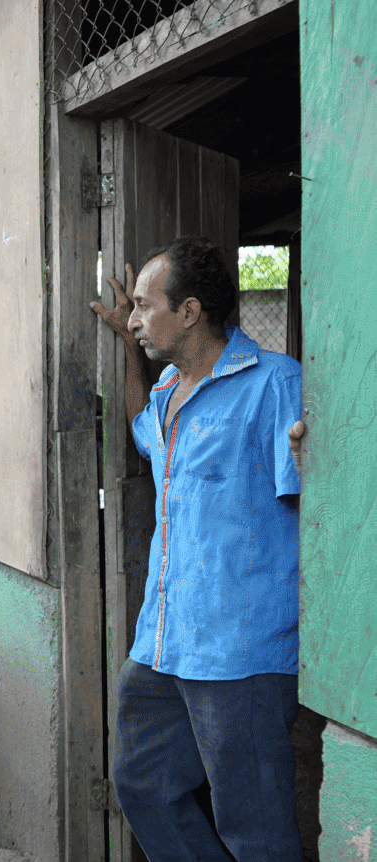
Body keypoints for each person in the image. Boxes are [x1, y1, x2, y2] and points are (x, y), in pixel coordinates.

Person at [90, 235, 306, 861]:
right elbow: (141, 433)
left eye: (142, 307)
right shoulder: (165, 395)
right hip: (164, 644)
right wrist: (125, 352)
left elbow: (316, 500)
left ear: (189, 312)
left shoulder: (273, 384)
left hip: (240, 653)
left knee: (255, 827)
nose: (132, 319)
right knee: (142, 784)